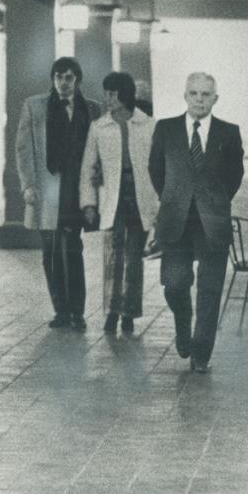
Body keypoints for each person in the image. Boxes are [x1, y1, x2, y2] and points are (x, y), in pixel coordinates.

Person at [148, 72, 244, 373]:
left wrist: (213, 200)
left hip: (212, 221)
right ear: (185, 96)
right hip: (175, 220)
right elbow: (156, 171)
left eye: (205, 94)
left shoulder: (229, 133)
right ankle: (182, 321)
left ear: (215, 99)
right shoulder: (166, 129)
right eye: (194, 94)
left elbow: (234, 176)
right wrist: (175, 198)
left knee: (210, 288)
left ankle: (201, 352)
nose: (199, 100)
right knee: (175, 285)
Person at [15, 56, 101, 330]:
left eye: (69, 78)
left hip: (77, 189)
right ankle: (60, 311)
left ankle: (77, 311)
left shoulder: (92, 110)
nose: (63, 83)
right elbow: (23, 148)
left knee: (74, 248)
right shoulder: (35, 106)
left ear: (77, 81)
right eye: (58, 77)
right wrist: (28, 184)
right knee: (50, 250)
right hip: (47, 189)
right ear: (52, 79)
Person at [79, 72, 160, 335]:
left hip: (140, 197)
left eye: (112, 94)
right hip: (113, 198)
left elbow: (159, 167)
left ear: (125, 94)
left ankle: (129, 314)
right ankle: (111, 312)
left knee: (134, 258)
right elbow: (88, 168)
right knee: (113, 256)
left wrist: (160, 204)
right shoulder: (98, 127)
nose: (107, 99)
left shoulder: (148, 125)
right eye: (106, 93)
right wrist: (89, 204)